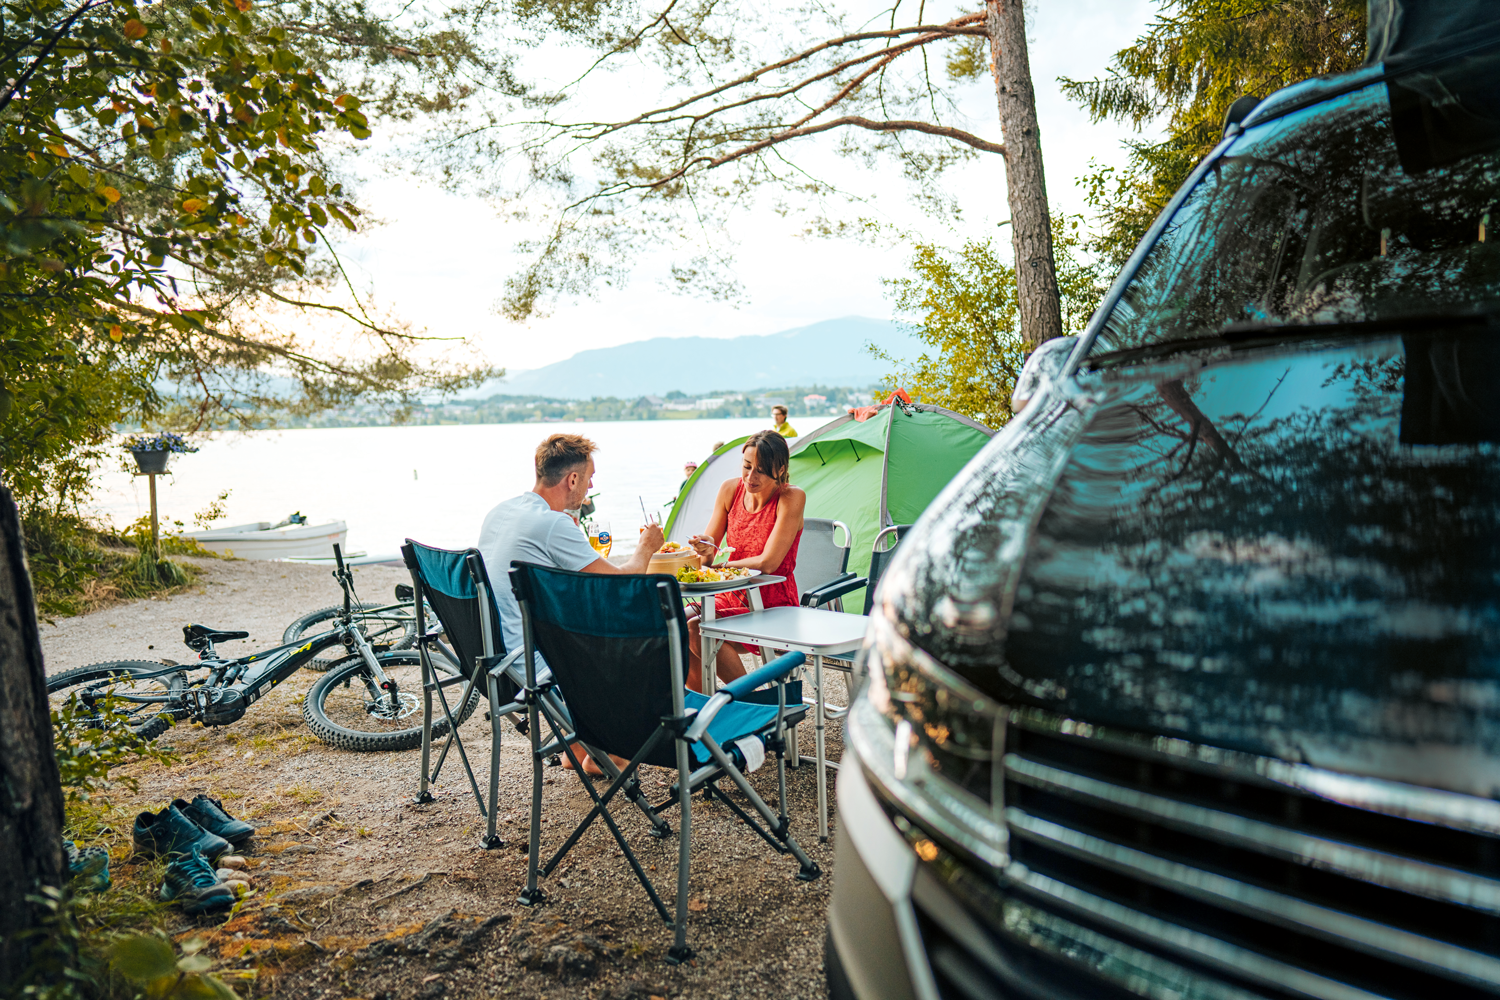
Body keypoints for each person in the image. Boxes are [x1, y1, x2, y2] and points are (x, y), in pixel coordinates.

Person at [477, 433, 665, 775]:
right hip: (534, 662)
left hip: (492, 655)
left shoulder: (502, 511)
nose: (591, 486)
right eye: (590, 478)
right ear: (573, 479)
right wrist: (646, 546)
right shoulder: (552, 524)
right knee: (644, 646)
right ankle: (611, 754)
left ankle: (578, 747)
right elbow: (618, 585)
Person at [685, 431, 806, 691]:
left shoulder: (791, 497)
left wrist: (720, 567)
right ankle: (700, 705)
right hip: (730, 595)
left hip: (773, 603)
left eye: (760, 471)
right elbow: (708, 557)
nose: (750, 477)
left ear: (780, 469)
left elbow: (768, 563)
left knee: (696, 628)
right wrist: (705, 549)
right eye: (747, 466)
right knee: (674, 622)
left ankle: (750, 700)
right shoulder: (730, 490)